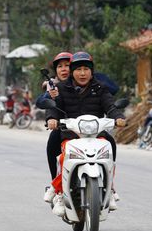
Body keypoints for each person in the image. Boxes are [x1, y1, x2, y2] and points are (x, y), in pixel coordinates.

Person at [44, 51, 126, 216]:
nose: (82, 73)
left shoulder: (100, 88)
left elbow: (110, 106)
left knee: (110, 146)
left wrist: (118, 117)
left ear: (92, 71)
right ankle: (59, 192)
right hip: (70, 134)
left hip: (96, 133)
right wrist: (52, 119)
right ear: (72, 72)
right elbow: (53, 107)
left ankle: (109, 188)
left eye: (86, 69)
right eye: (78, 69)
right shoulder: (60, 88)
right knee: (63, 156)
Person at [36, 52, 72, 191]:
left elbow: (110, 90)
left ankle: (109, 186)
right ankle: (55, 186)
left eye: (68, 66)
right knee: (52, 143)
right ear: (55, 70)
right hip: (65, 128)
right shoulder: (54, 86)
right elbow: (43, 101)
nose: (64, 69)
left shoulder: (87, 82)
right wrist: (51, 118)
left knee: (109, 141)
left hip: (88, 127)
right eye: (60, 66)